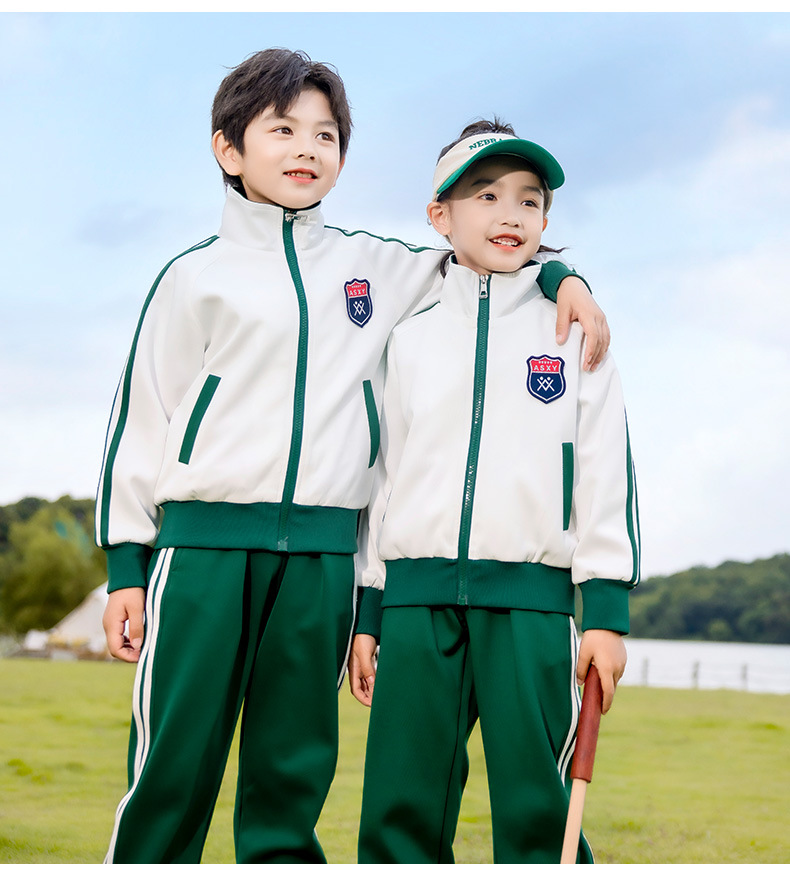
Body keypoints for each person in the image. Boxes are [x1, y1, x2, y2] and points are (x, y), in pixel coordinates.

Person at [96, 48, 608, 864]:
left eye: (326, 134)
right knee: (173, 761)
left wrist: (563, 275)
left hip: (326, 558)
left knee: (292, 766)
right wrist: (128, 562)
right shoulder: (193, 278)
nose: (307, 148)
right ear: (228, 148)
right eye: (283, 129)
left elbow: (487, 250)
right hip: (200, 550)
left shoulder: (378, 266)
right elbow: (140, 422)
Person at [349, 120, 640, 864]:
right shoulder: (406, 333)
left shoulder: (575, 330)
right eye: (486, 195)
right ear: (439, 215)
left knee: (539, 809)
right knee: (400, 806)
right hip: (415, 602)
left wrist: (605, 612)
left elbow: (605, 472)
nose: (510, 214)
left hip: (531, 604)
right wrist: (370, 609)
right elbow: (384, 477)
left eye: (529, 200)